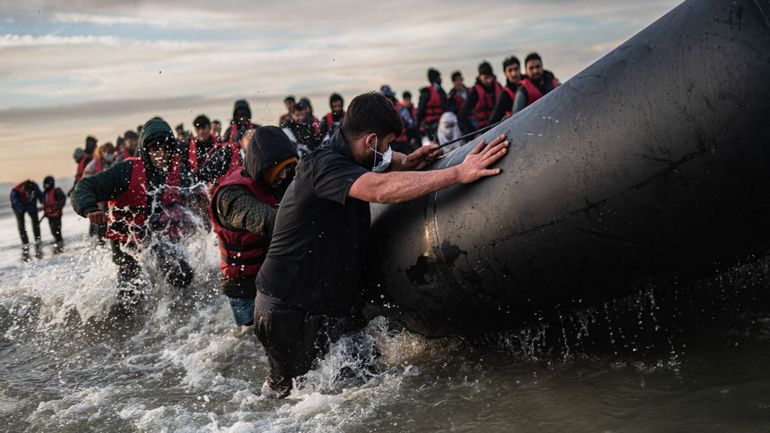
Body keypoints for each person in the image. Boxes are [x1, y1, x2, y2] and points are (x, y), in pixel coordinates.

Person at [254, 92, 509, 398]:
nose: (388, 152)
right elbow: (379, 188)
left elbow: (379, 166)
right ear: (371, 140)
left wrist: (406, 161)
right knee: (293, 402)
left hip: (323, 305)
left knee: (353, 390)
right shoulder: (323, 165)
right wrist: (457, 172)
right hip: (287, 309)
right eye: (386, 145)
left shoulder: (344, 152)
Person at [72, 117, 196, 313]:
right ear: (146, 149)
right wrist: (89, 209)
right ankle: (119, 325)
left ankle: (178, 321)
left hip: (154, 236)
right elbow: (84, 187)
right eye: (155, 148)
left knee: (182, 276)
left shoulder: (177, 172)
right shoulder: (126, 171)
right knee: (131, 299)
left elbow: (192, 198)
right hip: (125, 241)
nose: (161, 153)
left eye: (165, 147)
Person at [209, 126, 298, 326]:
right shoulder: (231, 195)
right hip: (244, 290)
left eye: (288, 168)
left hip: (272, 281)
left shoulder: (277, 180)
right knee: (251, 343)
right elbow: (269, 221)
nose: (284, 176)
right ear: (263, 166)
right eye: (279, 170)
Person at [83, 142, 117, 242]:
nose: (110, 154)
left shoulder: (114, 163)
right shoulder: (93, 165)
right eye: (108, 152)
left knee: (111, 219)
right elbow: (85, 180)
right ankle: (98, 241)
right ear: (102, 152)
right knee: (99, 220)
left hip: (110, 197)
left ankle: (106, 240)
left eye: (112, 152)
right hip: (98, 197)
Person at [459, 61, 503, 133]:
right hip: (483, 130)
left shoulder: (498, 86)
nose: (489, 81)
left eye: (490, 77)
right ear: (479, 77)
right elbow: (462, 114)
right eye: (485, 78)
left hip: (500, 125)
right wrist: (473, 132)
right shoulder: (475, 92)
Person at [10, 180, 43, 261]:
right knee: (21, 226)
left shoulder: (34, 187)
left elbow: (42, 198)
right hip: (18, 206)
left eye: (31, 193)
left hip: (31, 204)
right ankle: (25, 244)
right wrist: (34, 208)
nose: (30, 195)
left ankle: (38, 240)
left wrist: (45, 205)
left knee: (35, 222)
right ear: (24, 190)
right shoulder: (15, 192)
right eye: (28, 193)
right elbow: (20, 209)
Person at [416, 68, 447, 143]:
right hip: (431, 125)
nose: (441, 79)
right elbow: (420, 111)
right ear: (435, 78)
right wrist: (418, 126)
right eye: (439, 77)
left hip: (442, 123)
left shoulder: (441, 92)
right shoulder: (426, 93)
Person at [489, 56, 523, 124]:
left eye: (516, 69)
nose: (514, 74)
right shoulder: (504, 95)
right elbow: (493, 121)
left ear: (520, 69)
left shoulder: (531, 82)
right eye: (510, 70)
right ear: (505, 73)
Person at [41, 176, 66, 254]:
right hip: (49, 215)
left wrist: (58, 207)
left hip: (57, 214)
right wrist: (45, 212)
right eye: (45, 184)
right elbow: (46, 204)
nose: (46, 185)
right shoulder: (45, 193)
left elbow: (62, 199)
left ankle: (60, 243)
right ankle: (58, 241)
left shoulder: (57, 191)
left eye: (47, 184)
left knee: (57, 230)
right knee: (53, 230)